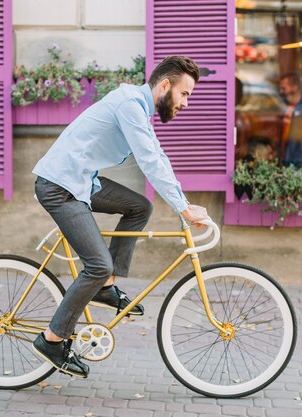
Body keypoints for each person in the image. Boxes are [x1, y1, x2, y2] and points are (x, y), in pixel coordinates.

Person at [31, 56, 210, 379]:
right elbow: (149, 162)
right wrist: (183, 208)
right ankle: (53, 340)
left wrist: (183, 201)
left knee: (140, 207)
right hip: (60, 186)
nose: (186, 103)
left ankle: (104, 286)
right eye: (185, 94)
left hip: (82, 181)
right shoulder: (130, 105)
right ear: (165, 86)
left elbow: (158, 156)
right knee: (97, 265)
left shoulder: (139, 108)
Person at [278, 72, 302, 166]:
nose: (281, 91)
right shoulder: (288, 106)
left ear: (294, 88)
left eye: (284, 88)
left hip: (297, 161)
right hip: (286, 158)